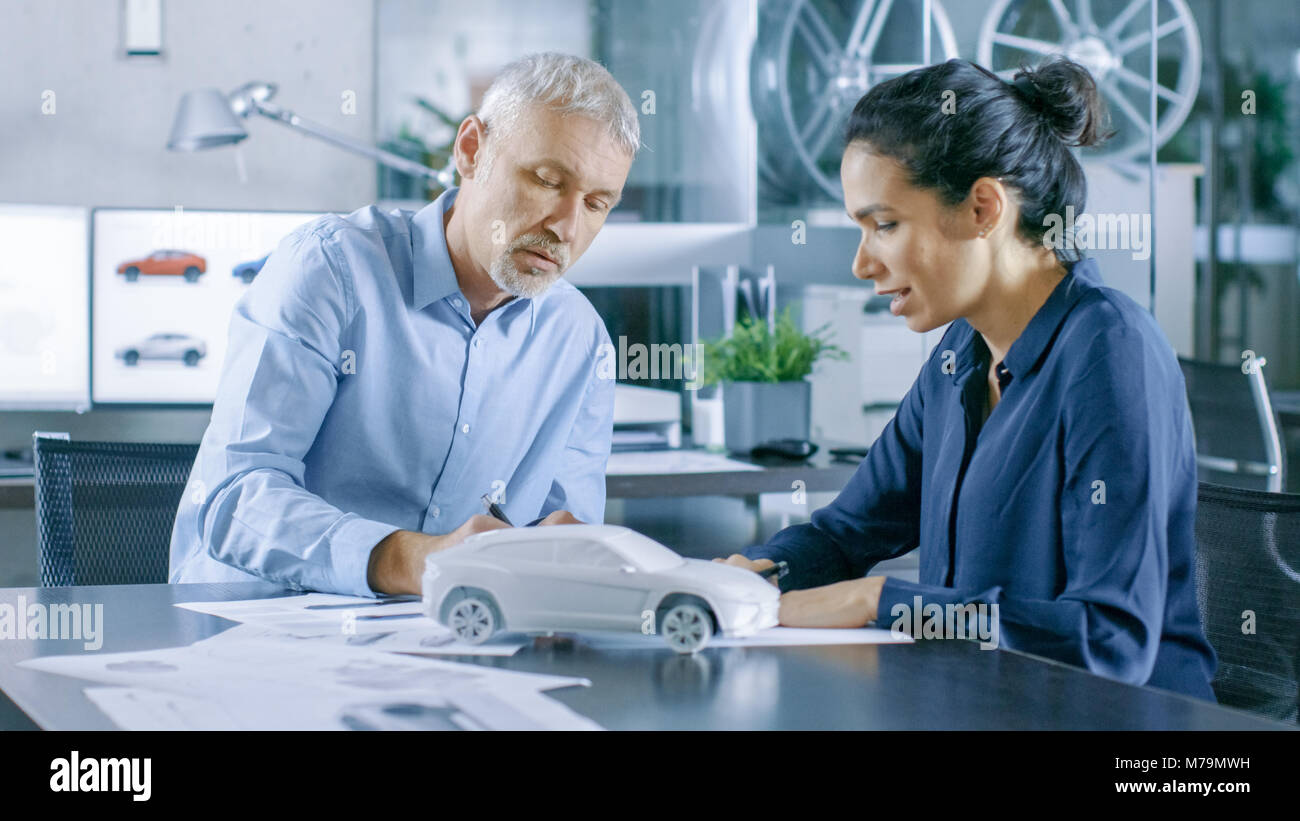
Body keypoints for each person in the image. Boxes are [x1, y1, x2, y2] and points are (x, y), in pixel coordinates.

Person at [723, 57, 1217, 700]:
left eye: (885, 225)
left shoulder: (1110, 352)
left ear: (984, 207)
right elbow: (847, 534)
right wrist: (755, 577)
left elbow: (1109, 639)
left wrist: (882, 601)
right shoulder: (962, 353)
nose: (861, 263)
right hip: (984, 706)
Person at [170, 52, 639, 597]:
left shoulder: (579, 340)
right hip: (249, 631)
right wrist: (419, 561)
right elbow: (233, 497)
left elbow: (563, 532)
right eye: (546, 180)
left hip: (429, 645)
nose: (566, 226)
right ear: (471, 150)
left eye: (597, 203)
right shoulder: (330, 270)